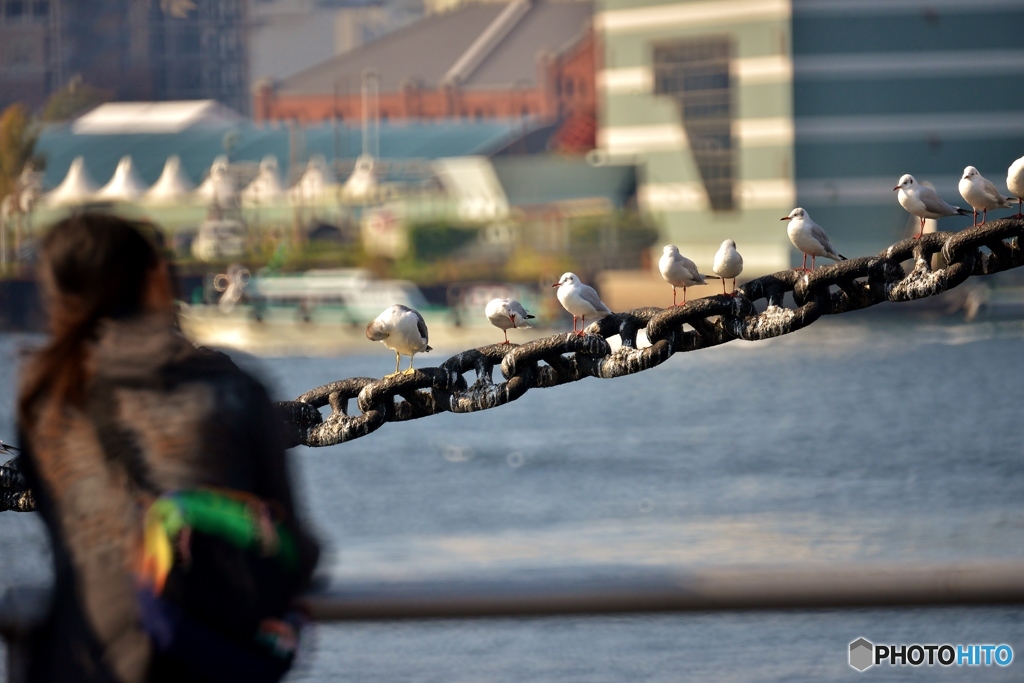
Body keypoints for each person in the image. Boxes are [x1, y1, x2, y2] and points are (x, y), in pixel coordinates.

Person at [16, 213, 319, 682]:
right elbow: (294, 545)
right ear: (157, 278)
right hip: (206, 662)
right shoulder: (233, 390)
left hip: (82, 662)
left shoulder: (46, 400)